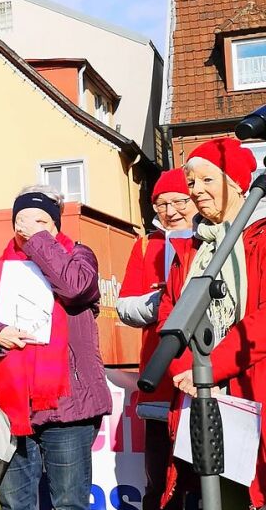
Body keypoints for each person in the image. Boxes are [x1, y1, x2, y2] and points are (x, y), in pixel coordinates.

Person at [0, 185, 111, 510]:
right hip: (12, 405)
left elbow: (73, 288)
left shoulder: (79, 256)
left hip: (68, 407)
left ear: (57, 226)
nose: (28, 229)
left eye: (41, 221)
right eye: (22, 222)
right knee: (15, 504)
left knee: (69, 503)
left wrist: (38, 241)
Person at [165, 138, 266, 509]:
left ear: (237, 182)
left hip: (251, 385)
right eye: (191, 182)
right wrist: (183, 369)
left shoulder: (261, 235)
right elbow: (170, 311)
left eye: (208, 180)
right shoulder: (191, 247)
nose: (196, 190)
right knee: (218, 496)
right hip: (201, 394)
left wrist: (210, 367)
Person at [115, 168, 197, 510]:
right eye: (162, 203)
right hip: (160, 379)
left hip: (205, 377)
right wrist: (163, 301)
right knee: (159, 478)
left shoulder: (213, 239)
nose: (172, 211)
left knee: (203, 480)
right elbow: (123, 306)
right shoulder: (147, 244)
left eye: (180, 201)